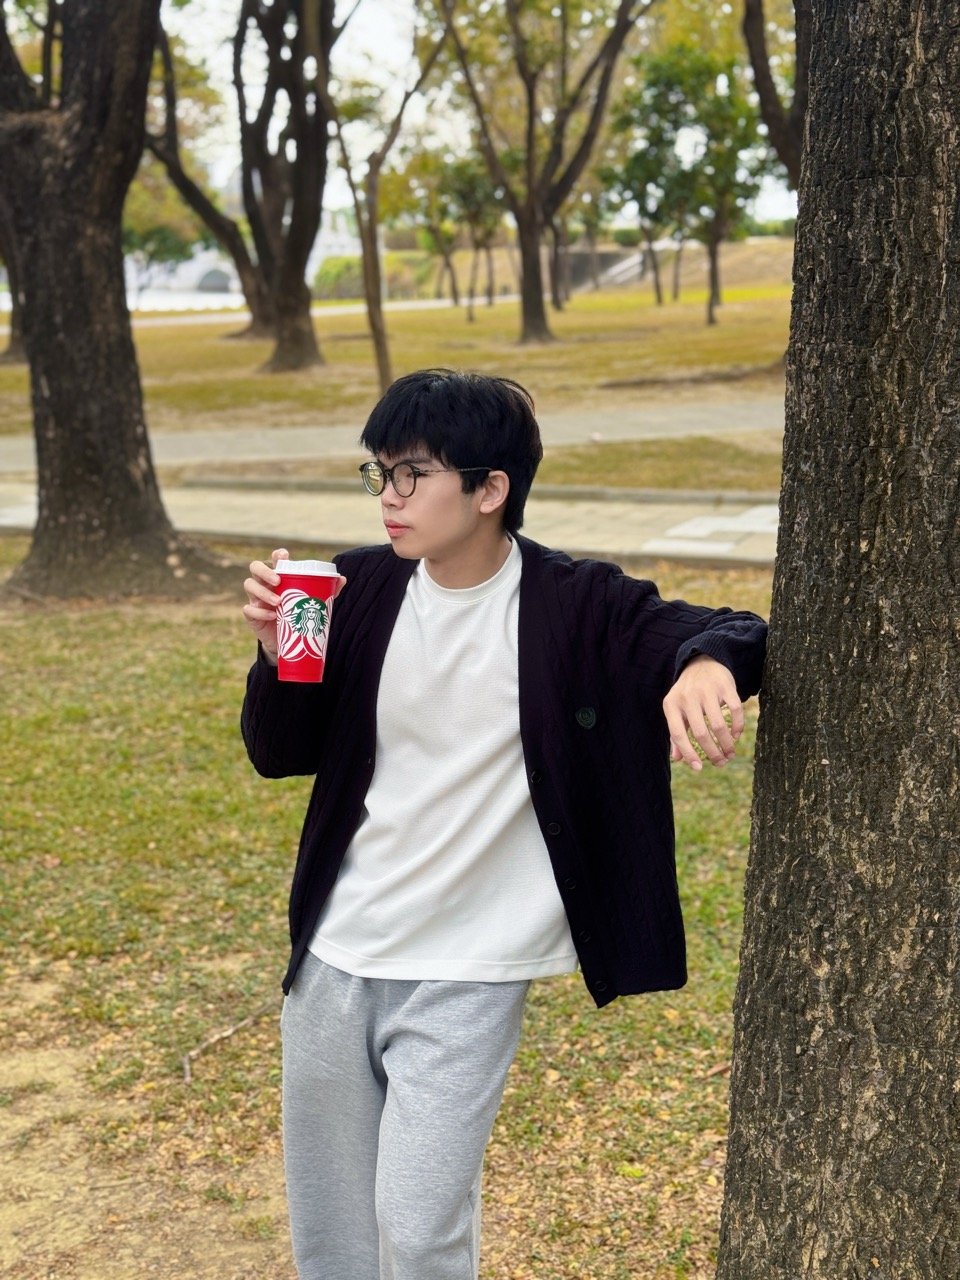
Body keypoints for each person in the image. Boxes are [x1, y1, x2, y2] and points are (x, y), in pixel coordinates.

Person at [240, 368, 767, 1280]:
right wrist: (274, 656)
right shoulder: (353, 588)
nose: (389, 497)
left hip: (469, 970)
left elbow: (732, 628)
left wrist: (705, 666)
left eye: (413, 474)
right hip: (334, 954)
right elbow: (279, 751)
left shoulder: (576, 603)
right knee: (332, 1233)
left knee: (418, 1226)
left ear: (491, 490)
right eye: (380, 473)